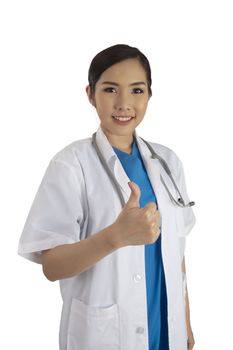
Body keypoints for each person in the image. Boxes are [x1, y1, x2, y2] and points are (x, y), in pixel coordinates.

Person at [18, 44, 196, 350]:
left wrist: (186, 324)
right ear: (90, 94)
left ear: (149, 95)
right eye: (111, 89)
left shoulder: (167, 162)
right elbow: (52, 266)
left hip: (168, 333)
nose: (124, 103)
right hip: (106, 337)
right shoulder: (71, 164)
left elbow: (176, 253)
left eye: (137, 91)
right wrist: (115, 236)